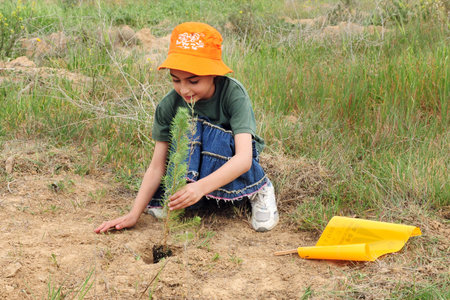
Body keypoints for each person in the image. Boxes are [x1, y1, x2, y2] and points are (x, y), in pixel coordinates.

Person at [94, 22, 278, 234]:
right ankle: (194, 196)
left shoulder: (232, 95)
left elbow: (244, 158)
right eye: (176, 80)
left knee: (206, 129)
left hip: (232, 161)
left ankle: (258, 189)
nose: (184, 89)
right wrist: (134, 213)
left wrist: (199, 188)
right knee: (187, 128)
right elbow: (157, 166)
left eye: (193, 81)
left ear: (214, 74)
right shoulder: (168, 105)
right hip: (196, 168)